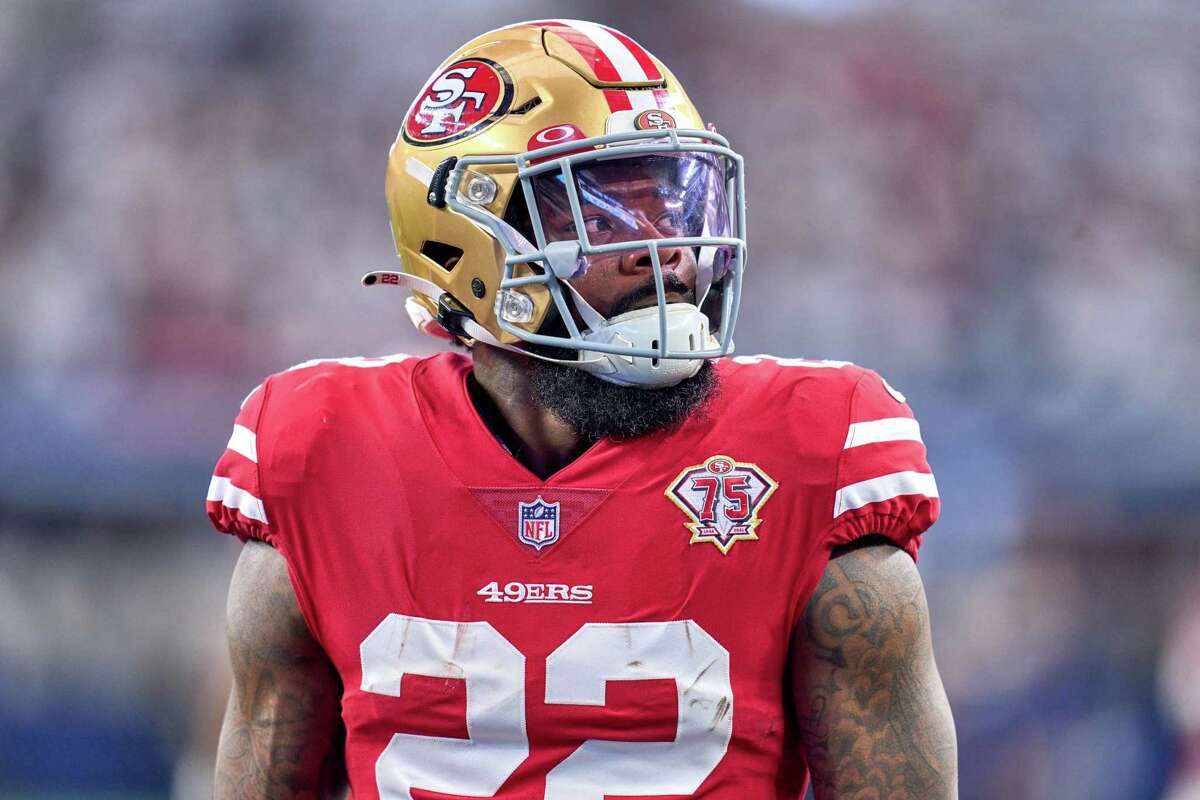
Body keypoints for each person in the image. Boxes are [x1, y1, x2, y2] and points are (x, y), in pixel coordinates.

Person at [206, 19, 957, 799]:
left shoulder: (815, 448)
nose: (664, 247)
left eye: (674, 199)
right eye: (598, 213)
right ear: (464, 245)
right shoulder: (323, 452)